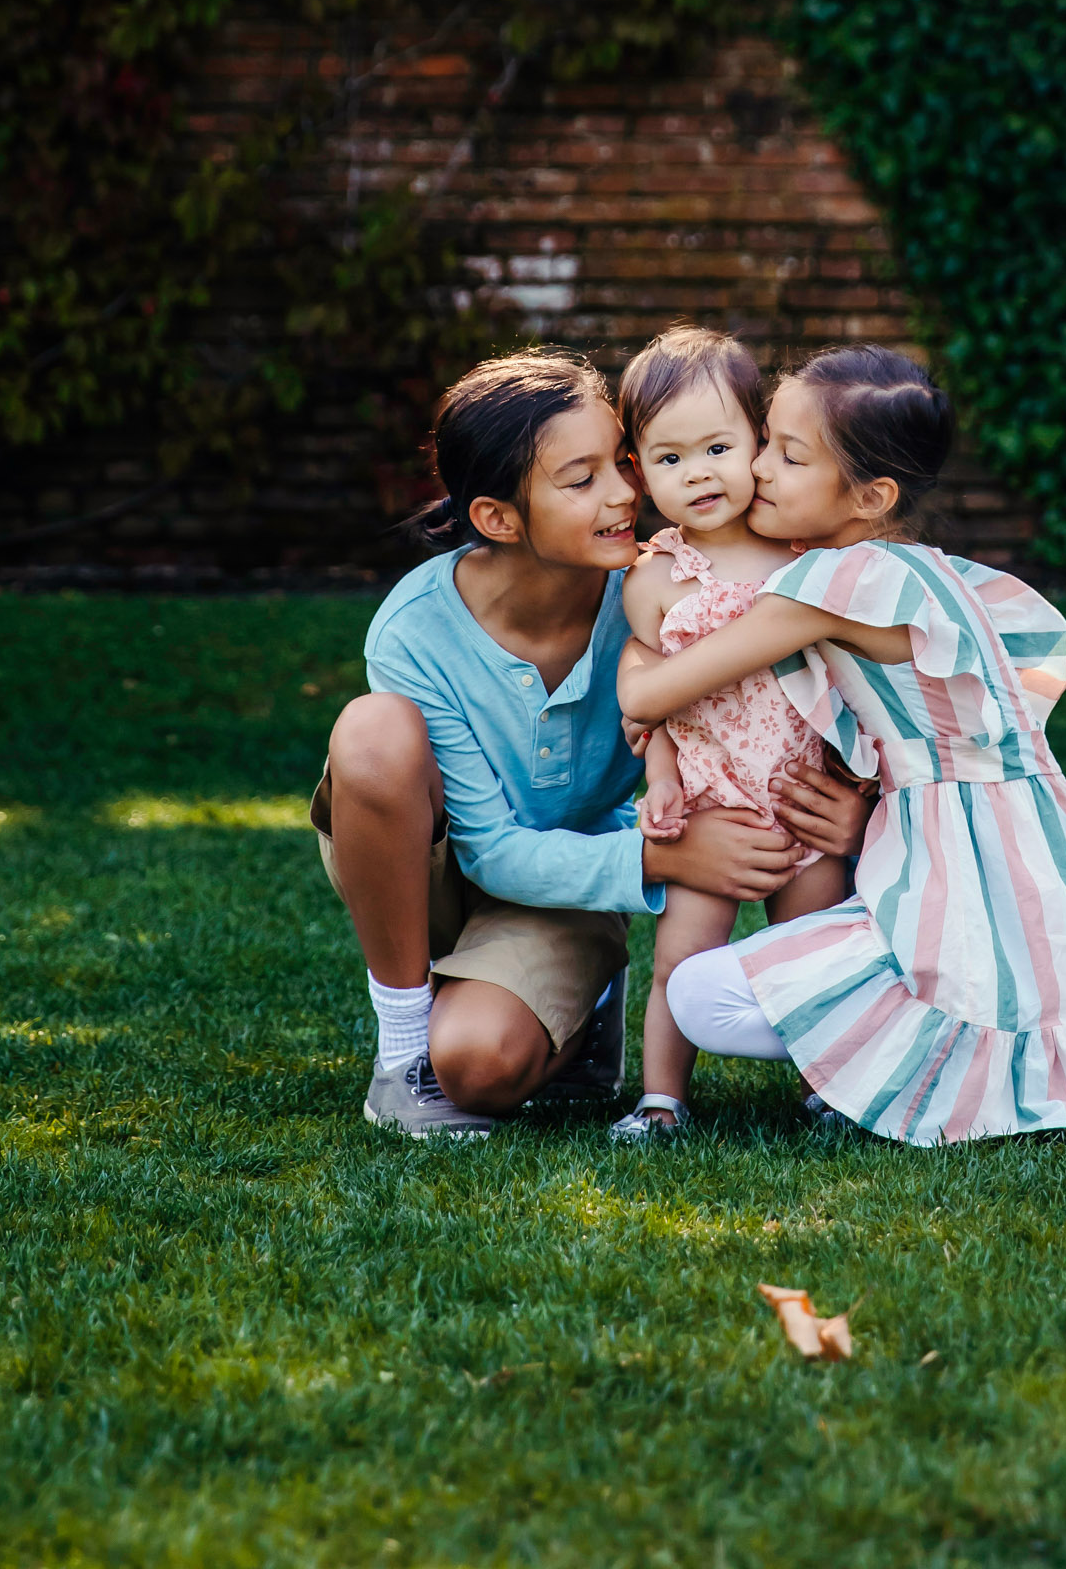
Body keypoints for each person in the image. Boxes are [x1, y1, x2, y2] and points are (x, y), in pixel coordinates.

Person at [618, 346, 1066, 1146]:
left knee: (699, 992)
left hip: (956, 851)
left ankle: (867, 1076)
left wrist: (638, 659)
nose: (755, 470)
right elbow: (1024, 661)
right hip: (1025, 841)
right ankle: (894, 1076)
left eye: (785, 455)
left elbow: (647, 696)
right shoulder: (928, 571)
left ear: (870, 496)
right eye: (763, 442)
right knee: (997, 991)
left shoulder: (822, 586)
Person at [313, 347, 870, 1137]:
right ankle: (403, 1052)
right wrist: (661, 858)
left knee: (478, 1068)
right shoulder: (415, 629)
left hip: (567, 877)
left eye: (620, 462)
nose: (623, 494)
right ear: (497, 519)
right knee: (371, 731)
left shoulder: (661, 592)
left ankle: (573, 1010)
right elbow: (490, 852)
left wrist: (858, 808)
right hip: (426, 872)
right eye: (581, 481)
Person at [607, 328, 850, 1144]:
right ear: (639, 473)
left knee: (817, 952)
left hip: (804, 793)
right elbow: (651, 698)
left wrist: (856, 781)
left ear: (759, 443)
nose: (698, 473)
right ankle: (660, 1100)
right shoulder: (653, 576)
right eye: (669, 459)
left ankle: (837, 1085)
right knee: (680, 956)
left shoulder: (804, 554)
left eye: (717, 446)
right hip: (715, 801)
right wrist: (666, 778)